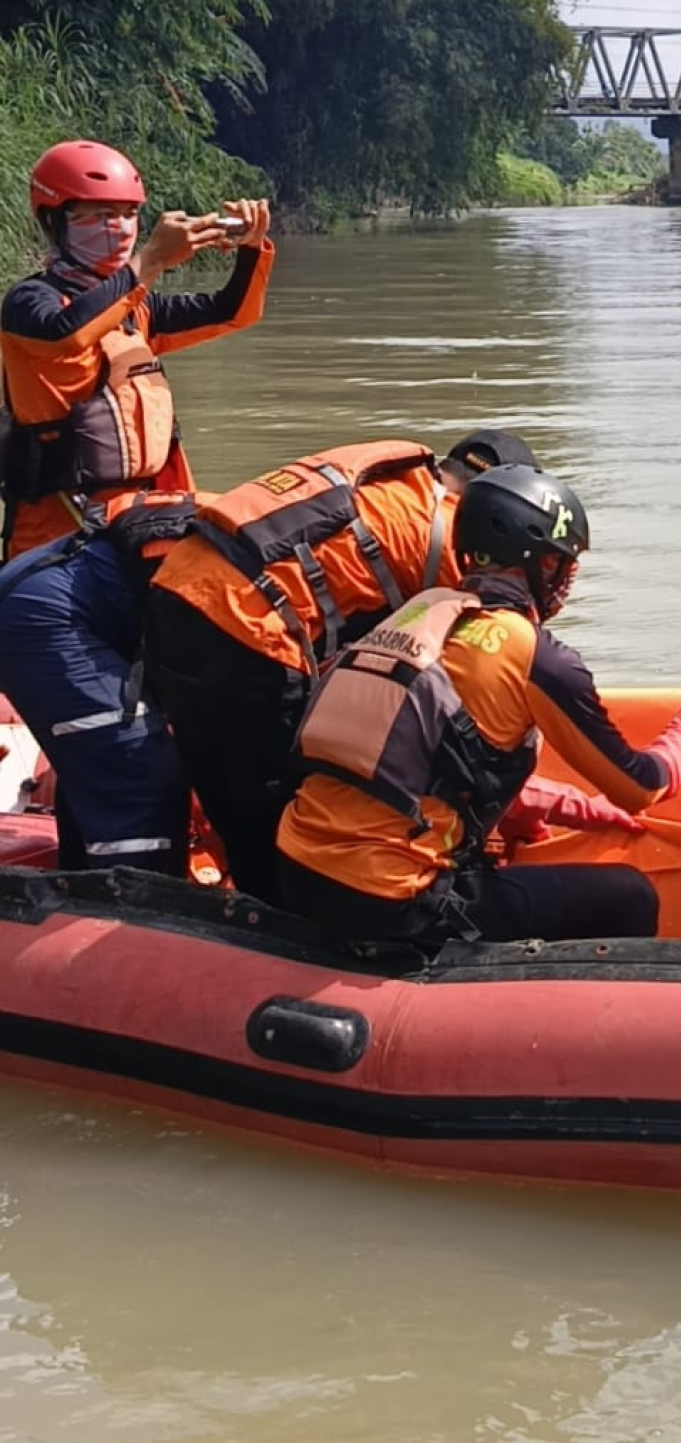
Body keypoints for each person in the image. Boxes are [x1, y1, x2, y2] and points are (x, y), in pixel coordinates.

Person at [275, 463, 681, 950]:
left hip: (297, 869)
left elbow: (423, 763)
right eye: (562, 563)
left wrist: (579, 809)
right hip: (390, 902)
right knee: (630, 896)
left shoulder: (419, 614)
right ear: (543, 564)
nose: (565, 579)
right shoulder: (537, 656)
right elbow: (641, 785)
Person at [144, 429, 541, 902]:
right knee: (280, 801)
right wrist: (523, 815)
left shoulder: (396, 484)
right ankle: (289, 932)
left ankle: (234, 899)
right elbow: (468, 713)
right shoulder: (460, 542)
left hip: (176, 587)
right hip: (245, 626)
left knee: (232, 786)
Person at [2, 141, 274, 559]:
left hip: (142, 522)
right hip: (57, 540)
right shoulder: (29, 301)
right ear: (55, 219)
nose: (122, 227)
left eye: (130, 214)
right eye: (103, 215)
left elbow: (231, 313)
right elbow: (65, 335)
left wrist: (252, 248)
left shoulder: (137, 307)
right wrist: (152, 261)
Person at [0, 496, 200, 873]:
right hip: (51, 615)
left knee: (102, 759)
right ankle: (139, 913)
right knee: (137, 769)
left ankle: (83, 884)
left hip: (56, 581)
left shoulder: (298, 540)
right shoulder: (311, 564)